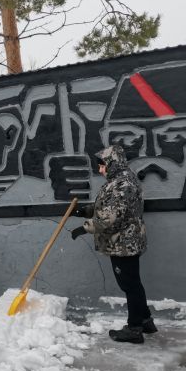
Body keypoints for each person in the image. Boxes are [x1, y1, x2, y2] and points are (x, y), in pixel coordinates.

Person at [71, 145, 157, 344]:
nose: (100, 170)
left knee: (129, 285)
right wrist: (85, 211)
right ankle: (145, 322)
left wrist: (85, 227)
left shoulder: (122, 184)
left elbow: (111, 218)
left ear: (112, 163)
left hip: (123, 243)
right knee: (133, 283)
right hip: (126, 241)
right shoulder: (121, 180)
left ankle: (134, 329)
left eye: (102, 165)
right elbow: (109, 206)